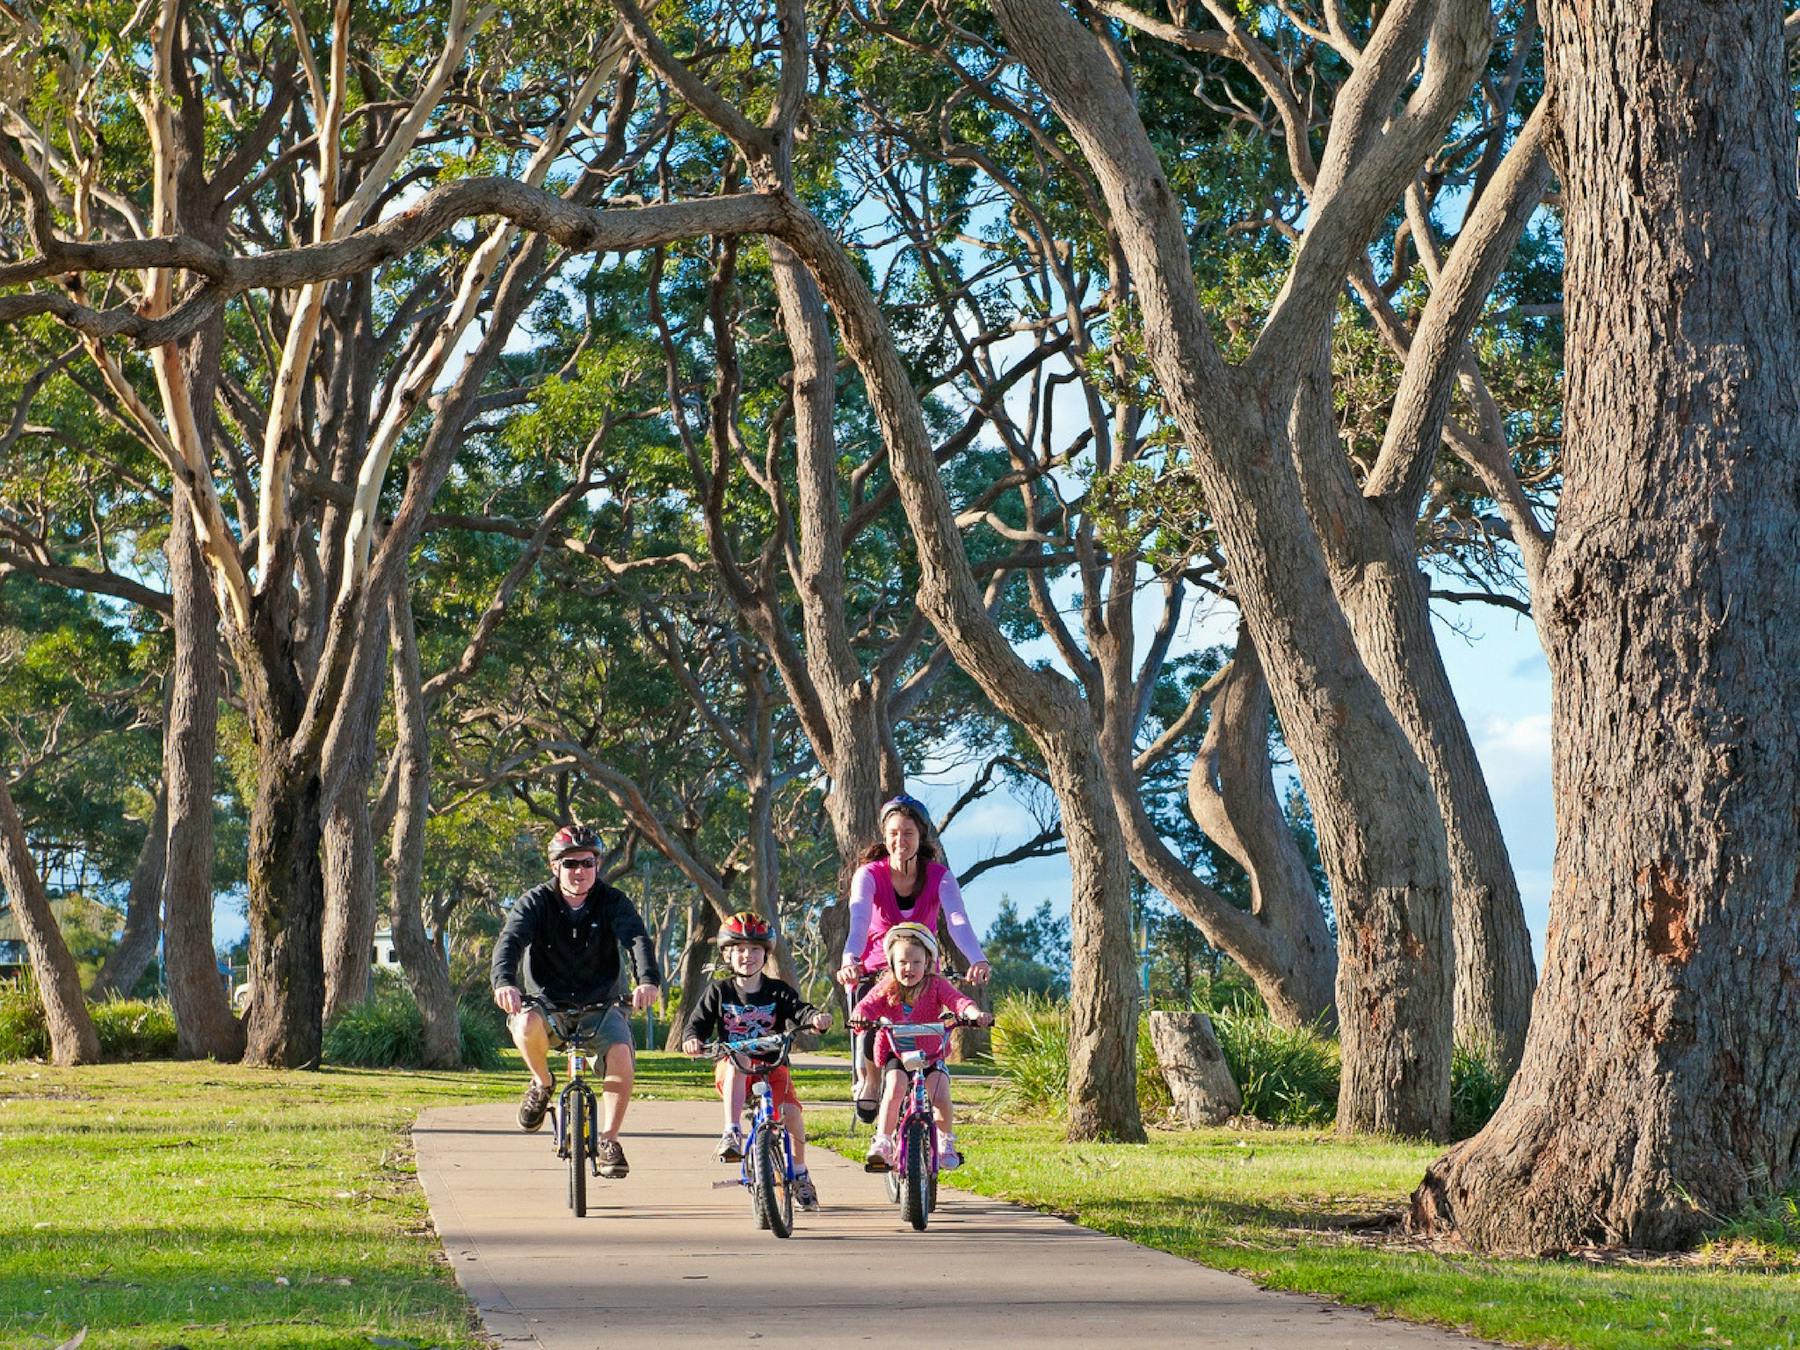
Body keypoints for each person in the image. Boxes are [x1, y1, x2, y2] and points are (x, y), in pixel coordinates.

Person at [491, 824, 662, 1179]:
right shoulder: (535, 902)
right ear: (555, 866)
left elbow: (637, 940)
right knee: (523, 1024)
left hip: (601, 1005)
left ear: (597, 866)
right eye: (570, 864)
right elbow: (510, 942)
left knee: (621, 1055)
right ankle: (542, 1083)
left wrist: (648, 980)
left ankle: (609, 1140)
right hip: (546, 1004)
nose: (579, 871)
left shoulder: (612, 902)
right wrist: (504, 982)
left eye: (587, 863)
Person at [835, 793, 990, 1120]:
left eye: (908, 834)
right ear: (884, 835)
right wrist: (850, 959)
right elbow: (859, 919)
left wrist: (977, 958)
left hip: (922, 969)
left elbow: (957, 919)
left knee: (932, 1023)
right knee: (870, 1019)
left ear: (921, 837)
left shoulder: (939, 876)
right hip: (876, 967)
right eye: (893, 833)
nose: (899, 841)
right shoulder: (869, 874)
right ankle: (871, 1079)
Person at [680, 910, 833, 1211]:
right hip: (734, 1070)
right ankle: (732, 1132)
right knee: (738, 1053)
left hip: (772, 1067)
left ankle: (801, 1174)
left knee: (791, 1113)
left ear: (765, 954)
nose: (747, 956)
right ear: (726, 955)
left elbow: (800, 1010)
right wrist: (692, 1039)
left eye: (754, 950)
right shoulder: (719, 991)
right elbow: (695, 1024)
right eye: (739, 950)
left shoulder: (778, 991)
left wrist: (815, 1018)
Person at [851, 921, 993, 1172]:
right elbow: (867, 1005)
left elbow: (958, 1001)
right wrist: (861, 1015)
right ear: (892, 964)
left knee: (940, 1095)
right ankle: (882, 1142)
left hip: (931, 1054)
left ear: (928, 963)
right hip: (898, 1052)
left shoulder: (936, 985)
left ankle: (945, 1141)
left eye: (916, 962)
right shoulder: (886, 986)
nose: (909, 968)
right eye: (903, 962)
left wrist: (974, 1013)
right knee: (894, 1089)